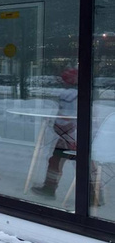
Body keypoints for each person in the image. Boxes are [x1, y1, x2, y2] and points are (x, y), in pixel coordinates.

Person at [32, 67, 79, 199]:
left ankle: (49, 188)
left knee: (55, 161)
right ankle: (94, 194)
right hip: (77, 135)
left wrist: (59, 127)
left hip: (69, 136)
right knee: (85, 163)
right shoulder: (84, 94)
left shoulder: (67, 95)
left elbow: (65, 117)